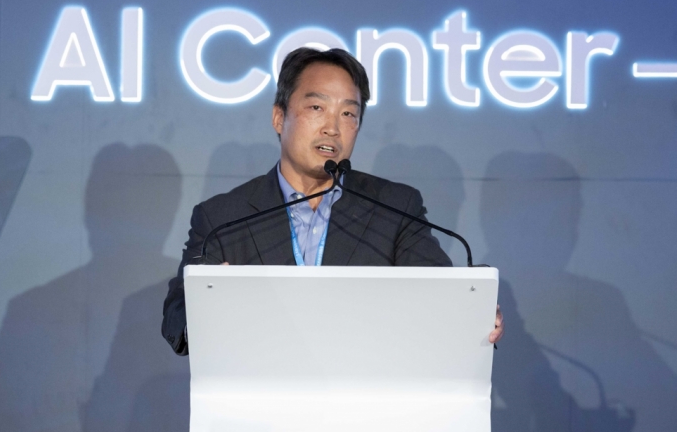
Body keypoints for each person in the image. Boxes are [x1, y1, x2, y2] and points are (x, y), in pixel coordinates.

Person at [162, 47, 503, 355]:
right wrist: (206, 307)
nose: (332, 128)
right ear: (279, 117)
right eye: (317, 107)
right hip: (259, 395)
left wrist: (473, 312)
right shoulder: (222, 217)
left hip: (365, 394)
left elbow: (441, 295)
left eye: (348, 114)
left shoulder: (396, 208)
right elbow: (177, 315)